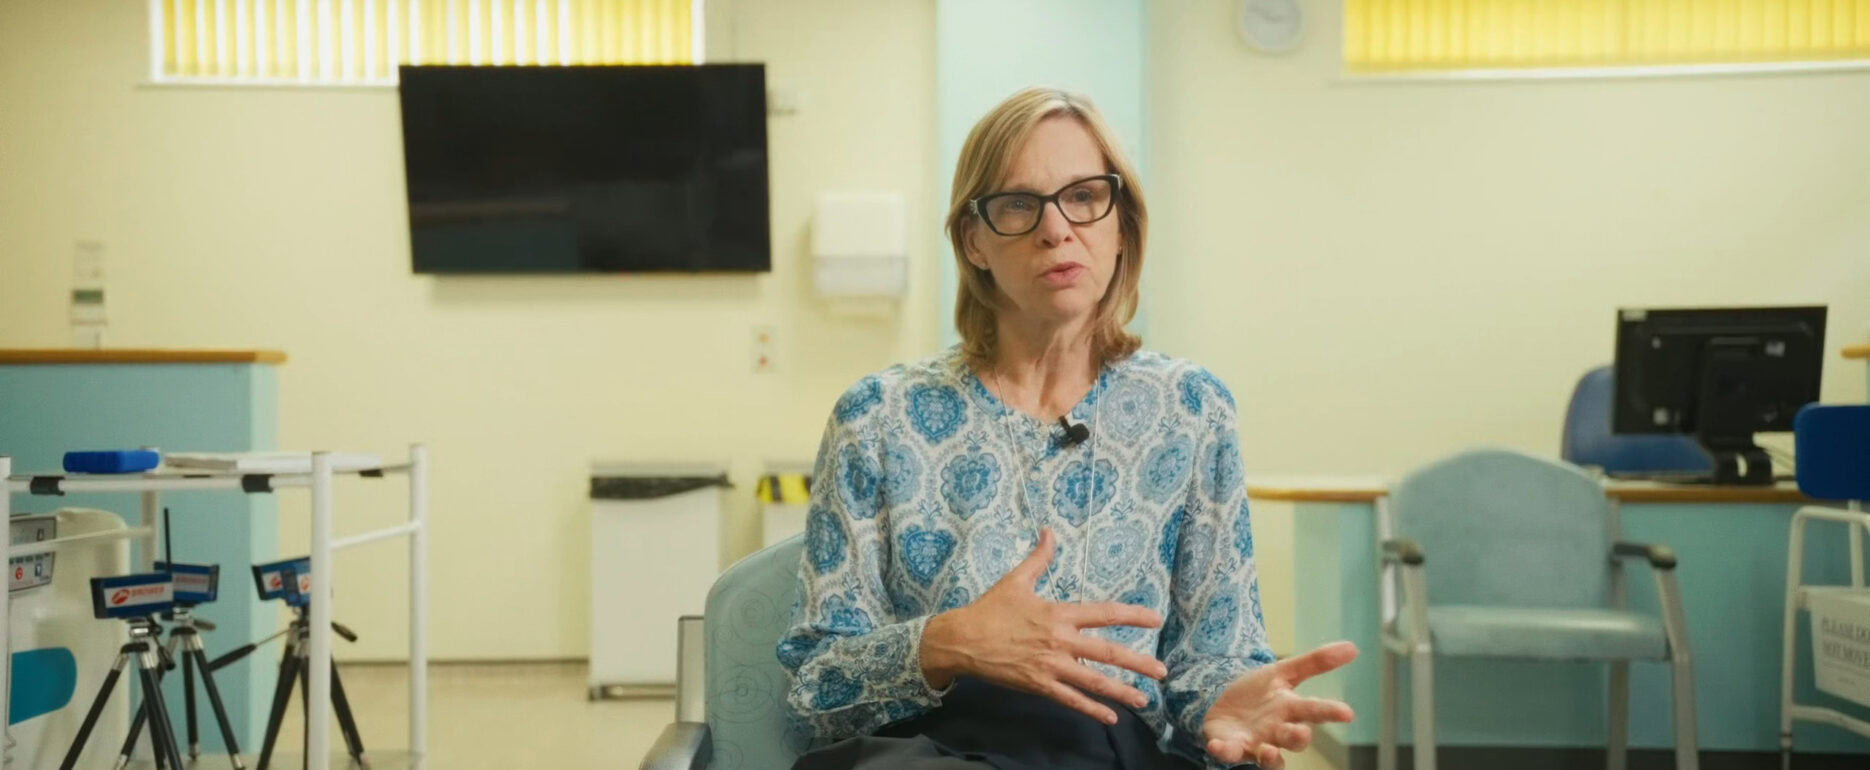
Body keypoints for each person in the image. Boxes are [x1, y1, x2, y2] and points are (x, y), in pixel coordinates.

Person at [777, 87, 1357, 770]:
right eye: (1019, 204)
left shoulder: (1192, 409)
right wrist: (945, 642)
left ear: (1121, 227)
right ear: (975, 241)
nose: (1057, 229)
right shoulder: (879, 416)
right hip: (931, 751)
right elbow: (814, 690)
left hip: (1116, 750)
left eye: (1084, 196)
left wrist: (1227, 706)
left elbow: (1212, 658)